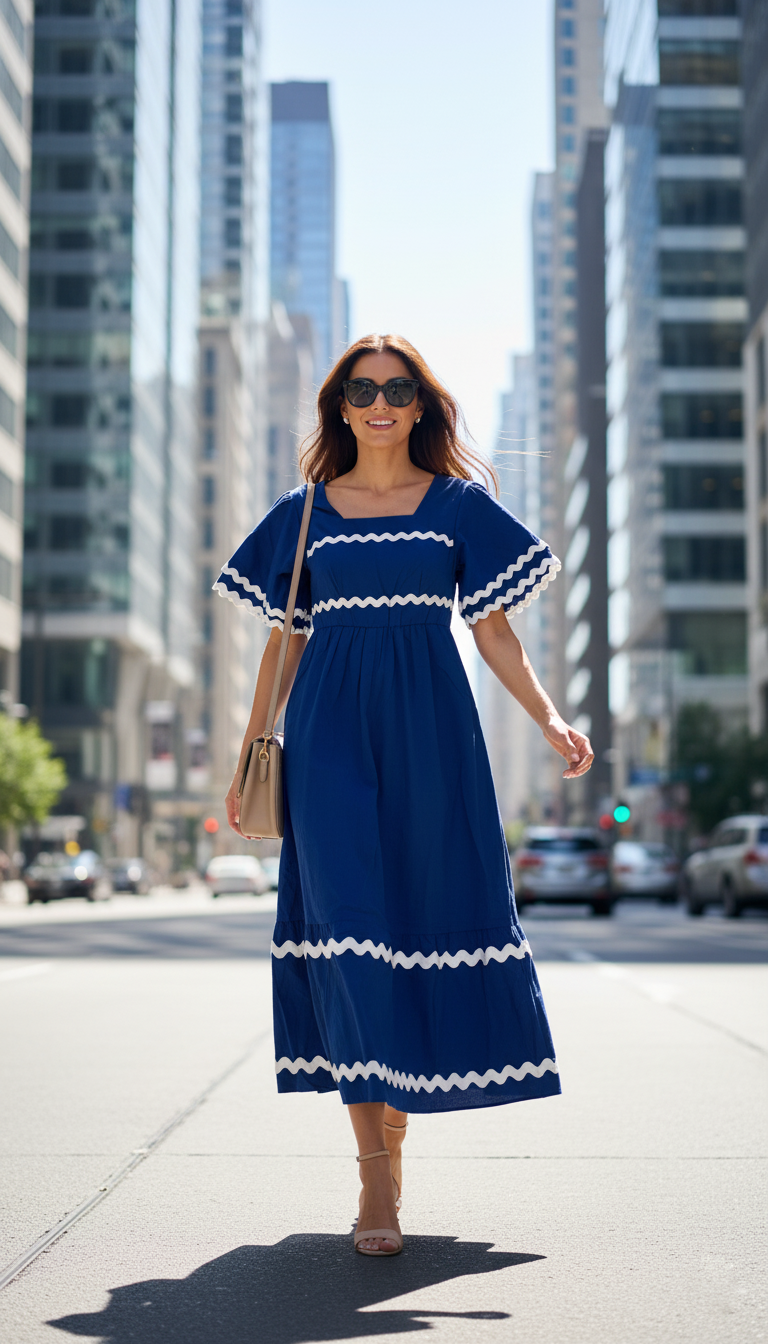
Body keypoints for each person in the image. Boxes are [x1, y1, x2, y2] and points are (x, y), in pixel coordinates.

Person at [217, 334, 593, 1257]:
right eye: (361, 389)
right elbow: (285, 640)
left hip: (434, 737)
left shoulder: (460, 507)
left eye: (398, 388)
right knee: (349, 938)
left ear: (421, 404)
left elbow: (494, 629)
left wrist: (547, 719)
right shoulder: (305, 512)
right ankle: (375, 1184)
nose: (380, 402)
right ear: (339, 407)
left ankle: (395, 1144)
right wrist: (249, 752)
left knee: (418, 927)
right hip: (328, 742)